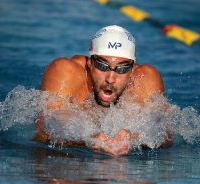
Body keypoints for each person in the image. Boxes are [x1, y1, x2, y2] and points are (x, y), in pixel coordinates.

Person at [34, 25, 172, 156]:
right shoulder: (65, 71)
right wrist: (88, 140)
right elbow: (46, 130)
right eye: (102, 66)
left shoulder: (145, 78)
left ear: (132, 69)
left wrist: (134, 140)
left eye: (122, 69)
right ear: (90, 63)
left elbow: (164, 136)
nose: (110, 79)